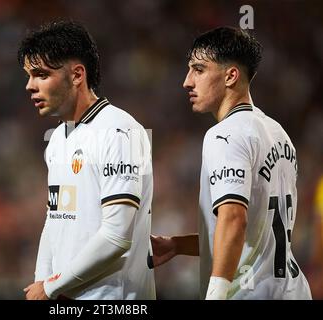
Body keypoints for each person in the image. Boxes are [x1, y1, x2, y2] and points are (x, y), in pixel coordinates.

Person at [151, 26, 312, 300]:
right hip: (292, 290)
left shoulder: (224, 134)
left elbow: (234, 220)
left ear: (230, 76)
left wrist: (216, 294)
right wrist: (178, 245)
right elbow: (254, 234)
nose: (187, 81)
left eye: (199, 70)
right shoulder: (278, 133)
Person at [19, 20, 155, 300]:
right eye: (28, 76)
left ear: (77, 75)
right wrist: (42, 282)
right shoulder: (57, 138)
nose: (29, 86)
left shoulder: (120, 131)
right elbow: (54, 219)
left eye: (41, 74)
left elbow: (117, 237)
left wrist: (52, 287)